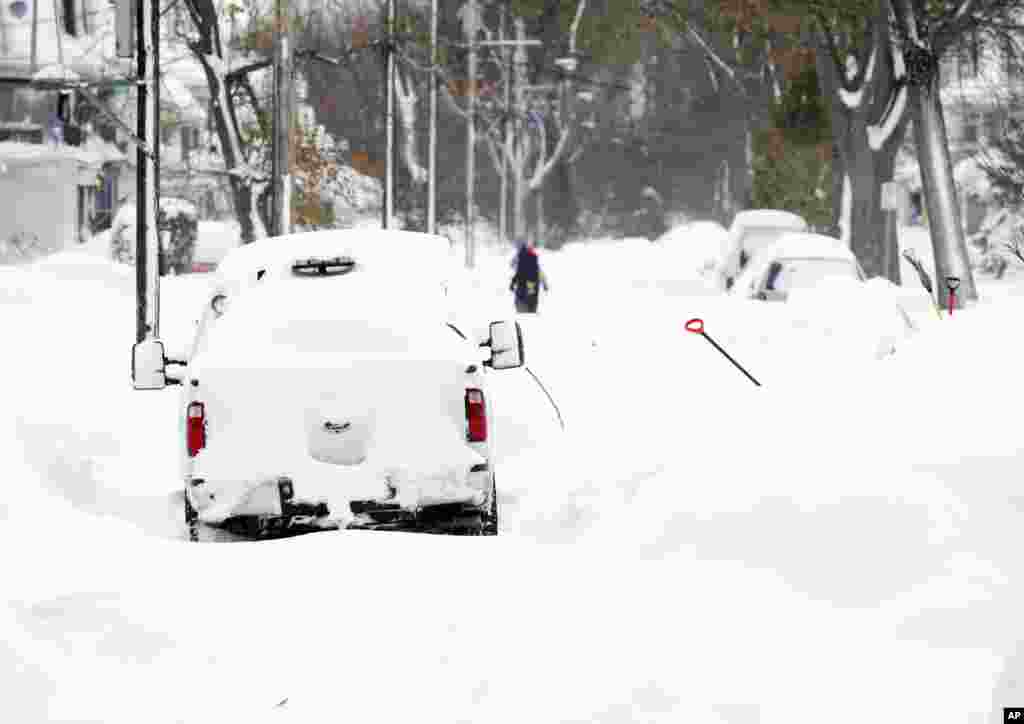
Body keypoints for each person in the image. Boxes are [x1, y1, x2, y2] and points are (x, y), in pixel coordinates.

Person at [509, 240, 549, 314]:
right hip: (531, 284)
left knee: (523, 300)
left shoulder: (521, 257)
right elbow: (539, 272)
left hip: (523, 284)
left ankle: (525, 310)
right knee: (531, 297)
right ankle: (531, 310)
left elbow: (513, 267)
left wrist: (512, 283)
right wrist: (544, 284)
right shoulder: (532, 260)